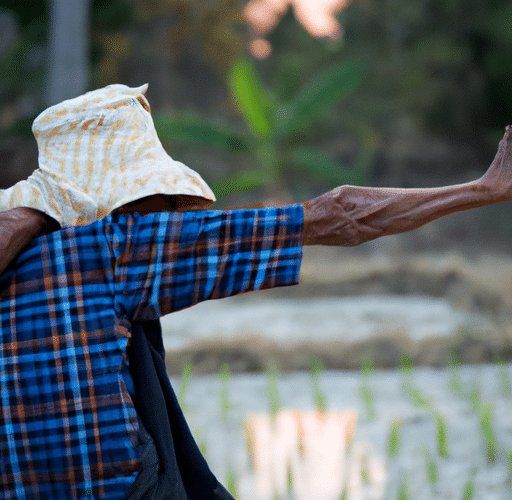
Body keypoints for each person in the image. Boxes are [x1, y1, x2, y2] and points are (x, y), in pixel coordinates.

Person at [1, 84, 511, 500]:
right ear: (126, 198)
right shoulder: (116, 250)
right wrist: (482, 190)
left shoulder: (20, 254)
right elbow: (342, 214)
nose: (171, 213)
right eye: (159, 198)